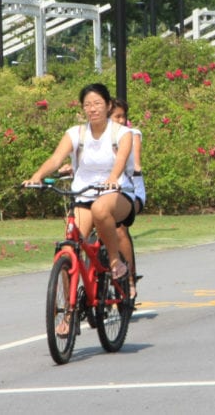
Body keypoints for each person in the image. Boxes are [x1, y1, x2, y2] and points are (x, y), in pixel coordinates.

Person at [25, 83, 135, 285]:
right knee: (68, 251)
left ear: (108, 105)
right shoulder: (76, 133)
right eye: (87, 105)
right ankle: (69, 311)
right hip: (84, 196)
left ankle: (114, 261)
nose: (92, 109)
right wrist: (37, 176)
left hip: (116, 193)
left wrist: (112, 179)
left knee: (100, 209)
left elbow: (120, 161)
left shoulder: (122, 133)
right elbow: (56, 159)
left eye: (97, 103)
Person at [110, 97, 145, 300]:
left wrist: (134, 169)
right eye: (117, 116)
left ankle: (129, 278)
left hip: (131, 186)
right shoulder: (95, 137)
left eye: (124, 116)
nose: (122, 120)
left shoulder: (131, 135)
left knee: (119, 227)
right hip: (103, 190)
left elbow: (134, 162)